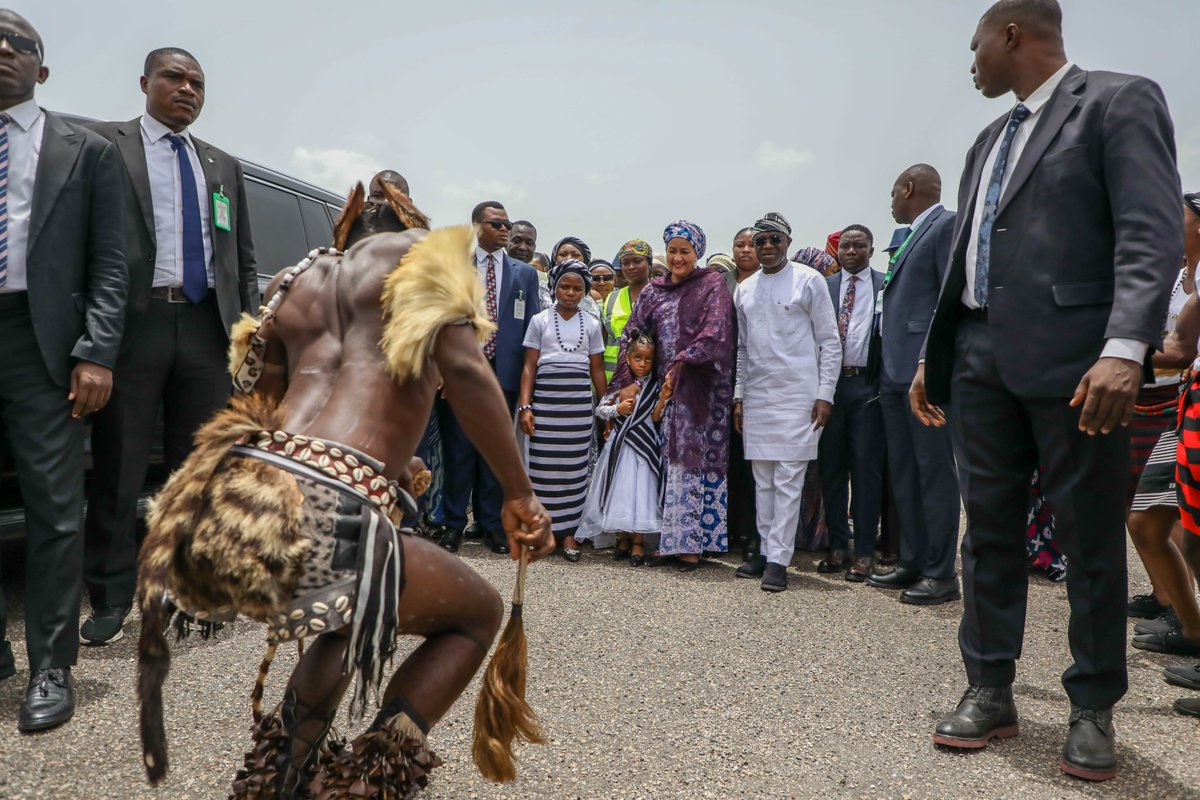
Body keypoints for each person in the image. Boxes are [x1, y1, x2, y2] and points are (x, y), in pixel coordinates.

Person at [135, 183, 555, 797]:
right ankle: (367, 782)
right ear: (411, 221)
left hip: (234, 502)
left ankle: (278, 776)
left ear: (345, 224)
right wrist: (519, 494)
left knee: (343, 617)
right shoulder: (421, 253)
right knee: (477, 615)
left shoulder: (294, 280)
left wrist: (388, 460)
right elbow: (465, 371)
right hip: (332, 506)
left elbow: (274, 407)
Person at [910, 0, 1182, 780]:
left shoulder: (1117, 100)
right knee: (987, 532)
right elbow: (971, 253)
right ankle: (989, 687)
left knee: (1088, 539)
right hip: (980, 361)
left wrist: (1125, 346)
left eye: (975, 47)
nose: (970, 64)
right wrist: (942, 351)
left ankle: (1093, 707)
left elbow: (1149, 229)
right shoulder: (986, 140)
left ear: (1011, 34)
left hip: (1078, 367)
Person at [82, 47, 258, 646]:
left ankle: (197, 590)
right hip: (137, 326)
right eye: (174, 78)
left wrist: (246, 335)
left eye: (198, 82)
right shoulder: (108, 148)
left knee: (202, 471)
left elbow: (243, 259)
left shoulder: (221, 165)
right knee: (120, 466)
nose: (187, 89)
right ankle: (108, 597)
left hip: (207, 330)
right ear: (145, 83)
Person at [0, 9, 127, 734]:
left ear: (41, 70)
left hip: (40, 341)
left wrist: (98, 349)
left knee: (52, 508)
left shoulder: (85, 151)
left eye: (20, 43)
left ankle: (51, 665)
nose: (3, 49)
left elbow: (112, 261)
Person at [610, 221, 734, 571]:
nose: (678, 258)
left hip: (701, 392)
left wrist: (682, 361)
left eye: (685, 251)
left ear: (697, 252)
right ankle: (671, 540)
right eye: (673, 251)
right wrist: (630, 377)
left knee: (693, 462)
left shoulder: (711, 284)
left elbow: (717, 332)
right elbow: (633, 332)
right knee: (665, 461)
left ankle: (692, 547)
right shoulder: (654, 290)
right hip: (661, 391)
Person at [732, 213, 841, 592]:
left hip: (799, 397)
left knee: (789, 480)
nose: (766, 246)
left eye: (774, 239)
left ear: (787, 242)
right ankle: (764, 550)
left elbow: (829, 342)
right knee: (763, 481)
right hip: (760, 396)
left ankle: (779, 560)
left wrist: (824, 394)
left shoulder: (809, 280)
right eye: (760, 240)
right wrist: (739, 396)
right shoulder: (744, 289)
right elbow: (743, 350)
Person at [868, 165, 960, 605]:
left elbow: (949, 298)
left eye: (892, 192)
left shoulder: (945, 226)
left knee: (934, 473)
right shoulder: (908, 237)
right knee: (904, 472)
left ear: (908, 188)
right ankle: (912, 560)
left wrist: (928, 361)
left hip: (924, 377)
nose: (890, 202)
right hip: (893, 373)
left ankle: (941, 573)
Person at [438, 201, 541, 555]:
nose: (505, 229)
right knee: (459, 450)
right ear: (477, 226)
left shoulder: (525, 273)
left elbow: (532, 332)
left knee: (495, 450)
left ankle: (491, 525)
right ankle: (452, 525)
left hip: (505, 373)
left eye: (507, 223)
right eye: (497, 223)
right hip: (462, 372)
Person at [518, 260, 606, 561]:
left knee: (575, 470)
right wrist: (526, 406)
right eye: (565, 287)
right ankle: (544, 531)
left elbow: (597, 371)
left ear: (585, 291)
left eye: (577, 288)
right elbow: (529, 366)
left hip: (578, 409)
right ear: (554, 287)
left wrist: (605, 408)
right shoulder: (539, 320)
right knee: (542, 470)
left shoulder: (592, 325)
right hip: (546, 405)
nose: (570, 292)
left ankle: (569, 533)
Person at [817, 225, 884, 582]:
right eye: (846, 246)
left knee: (865, 470)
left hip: (867, 386)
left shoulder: (885, 284)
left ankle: (864, 553)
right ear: (837, 251)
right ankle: (838, 546)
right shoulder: (823, 288)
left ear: (871, 250)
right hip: (829, 388)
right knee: (832, 468)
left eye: (859, 245)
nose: (852, 251)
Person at [577, 329, 668, 566]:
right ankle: (622, 537)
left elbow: (657, 417)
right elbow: (601, 409)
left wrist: (664, 396)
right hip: (622, 446)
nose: (643, 364)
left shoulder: (654, 385)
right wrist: (618, 410)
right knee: (622, 491)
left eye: (648, 359)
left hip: (645, 445)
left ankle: (638, 540)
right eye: (638, 358)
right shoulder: (620, 383)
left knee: (642, 494)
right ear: (627, 358)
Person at [727, 227, 761, 558]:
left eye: (752, 244)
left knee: (753, 463)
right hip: (719, 383)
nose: (746, 250)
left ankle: (752, 533)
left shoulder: (768, 282)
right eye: (740, 244)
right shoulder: (720, 284)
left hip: (755, 381)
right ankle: (727, 529)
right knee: (728, 461)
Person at [602, 239, 653, 380]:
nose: (631, 267)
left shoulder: (661, 296)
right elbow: (604, 340)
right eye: (625, 263)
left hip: (649, 381)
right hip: (613, 380)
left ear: (649, 264)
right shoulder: (612, 298)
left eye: (637, 261)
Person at [551, 235, 602, 324]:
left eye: (575, 255)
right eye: (563, 255)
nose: (569, 258)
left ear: (585, 261)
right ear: (555, 259)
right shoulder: (542, 290)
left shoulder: (594, 296)